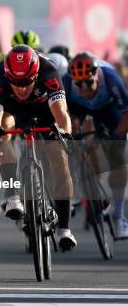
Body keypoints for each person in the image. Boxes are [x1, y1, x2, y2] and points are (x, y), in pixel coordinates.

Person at [0, 45, 77, 251]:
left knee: (58, 158)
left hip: (45, 110)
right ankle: (13, 197)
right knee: (1, 134)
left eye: (27, 81)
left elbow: (61, 113)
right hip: (12, 111)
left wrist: (66, 135)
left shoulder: (48, 71)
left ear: (36, 73)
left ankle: (64, 229)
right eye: (16, 82)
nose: (22, 88)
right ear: (8, 75)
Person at [64, 52, 128, 237]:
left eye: (88, 82)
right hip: (79, 108)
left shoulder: (110, 78)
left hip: (108, 107)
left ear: (97, 76)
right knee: (75, 141)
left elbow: (126, 115)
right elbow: (63, 114)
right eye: (79, 83)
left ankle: (117, 217)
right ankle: (85, 187)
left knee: (117, 158)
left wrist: (116, 135)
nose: (84, 87)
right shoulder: (67, 83)